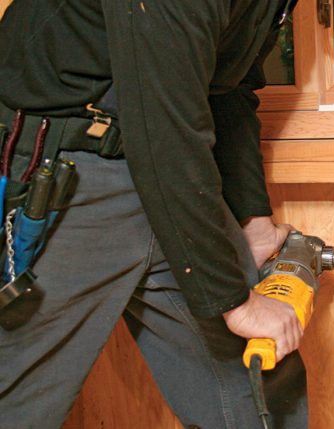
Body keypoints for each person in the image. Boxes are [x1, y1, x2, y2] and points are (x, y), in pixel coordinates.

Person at [0, 0, 307, 428]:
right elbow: (165, 127)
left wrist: (252, 220)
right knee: (16, 396)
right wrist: (234, 303)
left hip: (172, 171)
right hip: (68, 168)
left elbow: (228, 87)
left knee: (260, 369)